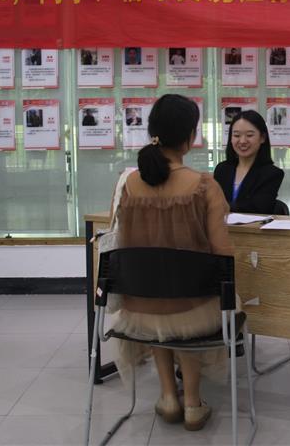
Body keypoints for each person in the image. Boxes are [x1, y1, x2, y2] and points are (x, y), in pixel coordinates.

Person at [108, 94, 233, 432]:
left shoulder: (128, 184)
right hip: (191, 305)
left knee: (161, 309)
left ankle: (167, 397)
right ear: (190, 137)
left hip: (139, 304)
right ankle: (192, 402)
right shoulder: (204, 185)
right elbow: (222, 252)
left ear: (153, 132)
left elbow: (120, 241)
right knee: (185, 303)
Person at [214, 110, 284, 214]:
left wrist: (220, 206)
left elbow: (258, 208)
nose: (242, 141)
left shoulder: (272, 174)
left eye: (249, 135)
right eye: (236, 135)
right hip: (220, 224)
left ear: (262, 138)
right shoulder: (222, 169)